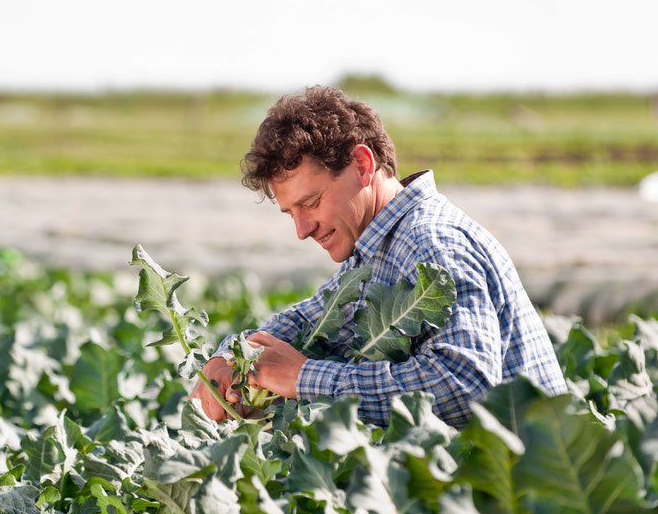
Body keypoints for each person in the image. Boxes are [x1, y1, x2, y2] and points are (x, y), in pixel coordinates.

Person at [189, 86, 567, 428]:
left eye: (311, 203)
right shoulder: (379, 247)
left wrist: (304, 379)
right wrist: (231, 361)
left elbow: (465, 384)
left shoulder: (432, 242)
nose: (302, 230)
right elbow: (311, 318)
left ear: (362, 165)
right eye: (291, 213)